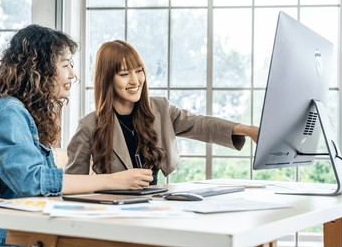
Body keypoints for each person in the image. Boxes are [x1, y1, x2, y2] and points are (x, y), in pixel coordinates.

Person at [0, 25, 105, 247]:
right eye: (65, 65)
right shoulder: (8, 111)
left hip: (5, 234)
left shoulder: (24, 114)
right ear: (39, 68)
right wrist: (110, 181)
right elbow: (32, 182)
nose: (72, 74)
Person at [65, 39, 259, 188]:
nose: (135, 80)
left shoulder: (160, 108)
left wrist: (248, 130)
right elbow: (73, 183)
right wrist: (112, 181)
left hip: (156, 204)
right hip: (112, 213)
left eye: (139, 71)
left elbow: (201, 124)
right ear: (107, 79)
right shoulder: (89, 125)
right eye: (124, 74)